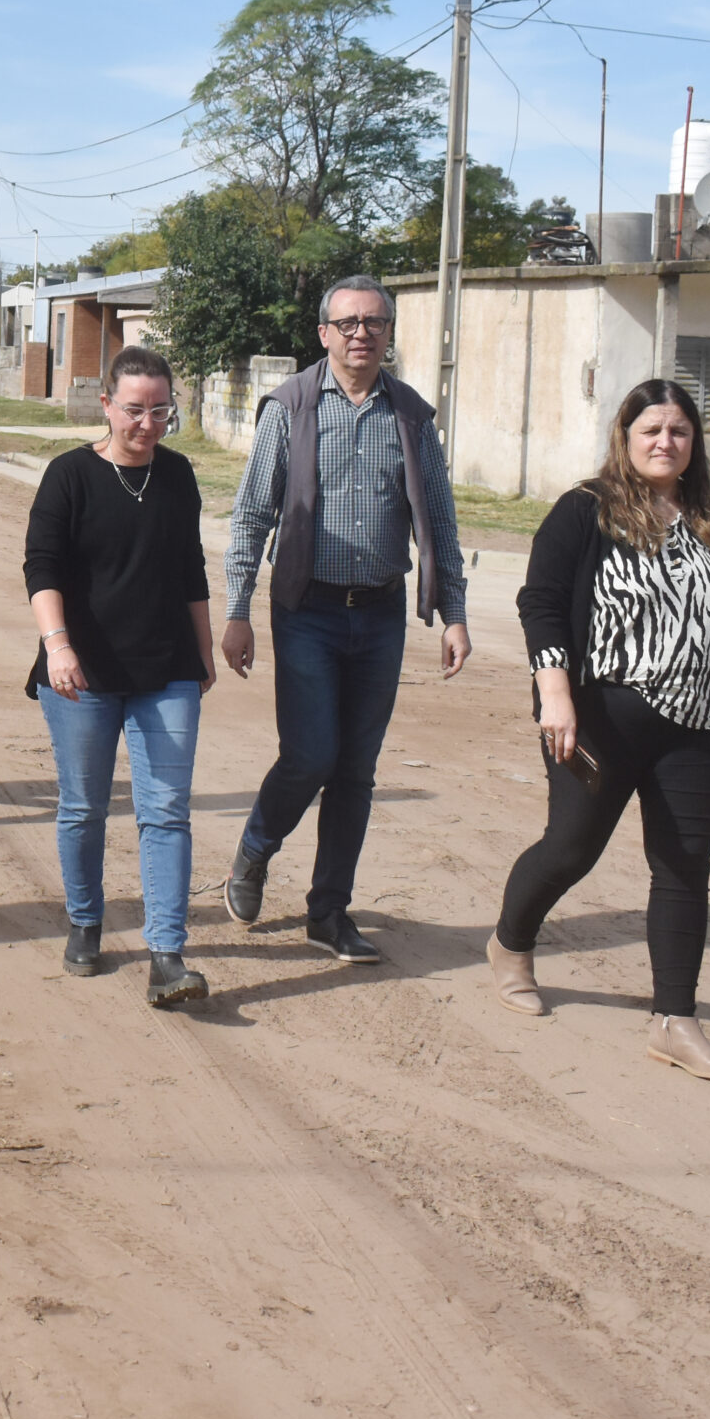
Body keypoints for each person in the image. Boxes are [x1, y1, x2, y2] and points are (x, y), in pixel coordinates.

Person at [490, 379, 710, 1081]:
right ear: (627, 437)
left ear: (693, 441)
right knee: (571, 849)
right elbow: (541, 603)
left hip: (697, 723)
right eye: (652, 431)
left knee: (684, 866)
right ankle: (511, 943)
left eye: (678, 431)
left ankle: (675, 1021)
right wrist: (555, 695)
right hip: (602, 718)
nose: (665, 442)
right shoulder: (585, 510)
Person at [221, 274, 469, 964]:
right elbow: (252, 514)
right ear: (324, 333)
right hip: (308, 610)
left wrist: (453, 613)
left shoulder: (411, 416)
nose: (362, 333)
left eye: (375, 322)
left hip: (381, 613)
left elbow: (440, 523)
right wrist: (237, 610)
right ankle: (255, 847)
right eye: (349, 322)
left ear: (388, 333)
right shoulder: (290, 408)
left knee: (356, 769)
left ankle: (329, 911)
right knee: (310, 755)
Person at [26, 344, 218, 1007]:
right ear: (106, 405)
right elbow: (41, 567)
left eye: (160, 410)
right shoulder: (69, 475)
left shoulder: (178, 473)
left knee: (166, 810)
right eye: (134, 409)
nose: (147, 423)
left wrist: (203, 653)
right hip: (82, 673)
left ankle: (167, 954)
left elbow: (190, 568)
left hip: (167, 669)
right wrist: (57, 646)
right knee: (84, 806)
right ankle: (85, 922)